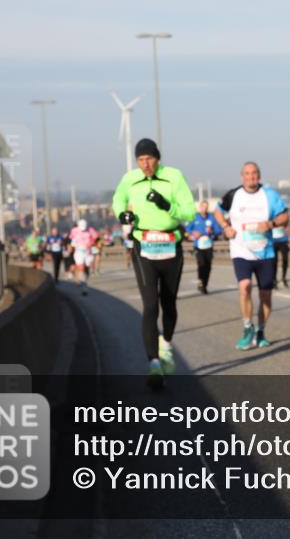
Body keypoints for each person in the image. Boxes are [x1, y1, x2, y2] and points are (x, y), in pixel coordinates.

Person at [112, 138, 196, 389]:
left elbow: (189, 212)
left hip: (171, 245)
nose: (145, 164)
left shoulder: (173, 177)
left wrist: (166, 205)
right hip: (144, 245)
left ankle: (166, 346)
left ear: (157, 158)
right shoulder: (130, 179)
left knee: (168, 302)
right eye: (140, 160)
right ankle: (154, 364)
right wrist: (122, 214)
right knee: (150, 305)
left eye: (149, 159)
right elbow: (118, 199)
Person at [213, 162, 289, 351]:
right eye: (247, 174)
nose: (251, 177)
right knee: (245, 287)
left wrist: (271, 224)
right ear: (242, 176)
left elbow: (285, 216)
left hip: (265, 252)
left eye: (254, 173)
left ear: (259, 175)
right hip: (241, 251)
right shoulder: (233, 195)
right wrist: (225, 227)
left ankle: (261, 331)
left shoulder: (269, 195)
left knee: (265, 295)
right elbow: (217, 211)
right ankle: (248, 327)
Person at [187, 200, 223, 293]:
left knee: (208, 266)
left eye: (206, 207)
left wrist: (212, 231)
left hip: (208, 245)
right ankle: (201, 282)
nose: (205, 208)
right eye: (203, 206)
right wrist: (193, 233)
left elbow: (218, 231)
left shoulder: (211, 218)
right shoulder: (194, 217)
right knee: (201, 264)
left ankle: (205, 284)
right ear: (200, 207)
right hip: (198, 245)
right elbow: (187, 229)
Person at [68, 219, 99, 296]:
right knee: (81, 268)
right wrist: (70, 247)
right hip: (79, 251)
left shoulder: (91, 230)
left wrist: (92, 243)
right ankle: (84, 287)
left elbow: (97, 239)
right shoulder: (74, 230)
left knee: (87, 269)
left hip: (88, 252)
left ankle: (82, 280)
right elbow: (71, 240)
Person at [272, 221, 290, 288]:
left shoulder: (284, 216)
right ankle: (274, 280)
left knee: (285, 260)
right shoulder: (270, 214)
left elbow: (288, 228)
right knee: (274, 261)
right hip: (273, 241)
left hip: (283, 240)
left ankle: (284, 278)